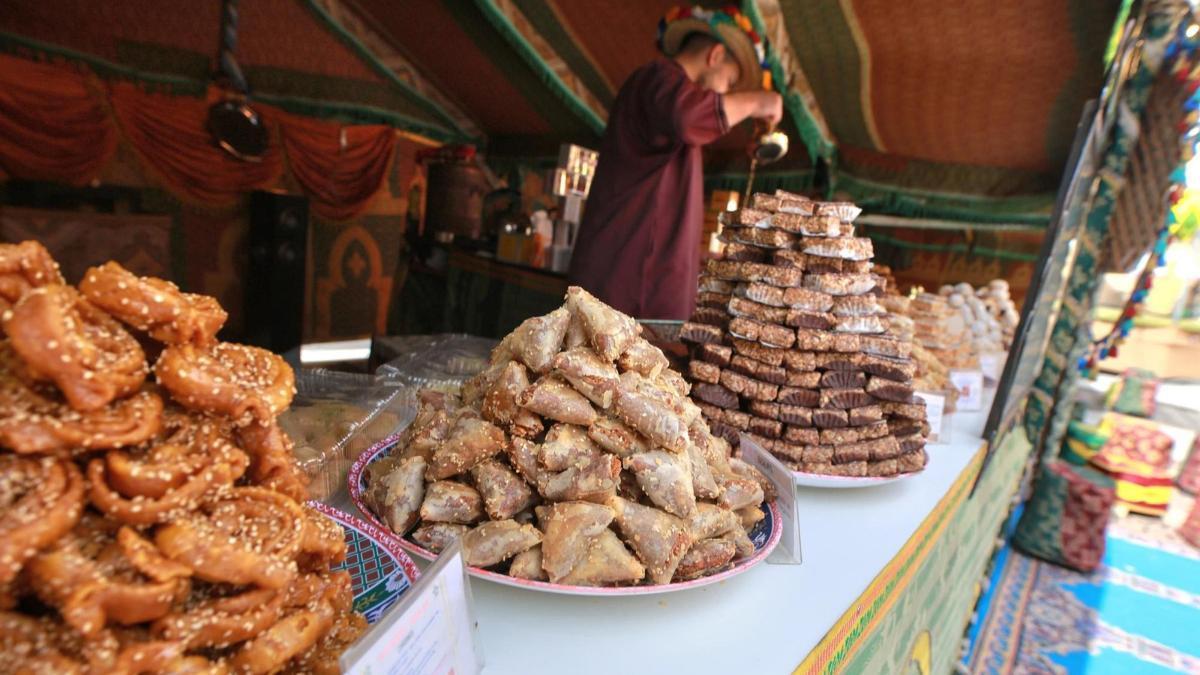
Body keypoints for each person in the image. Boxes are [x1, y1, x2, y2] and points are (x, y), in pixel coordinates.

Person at [568, 6, 783, 320]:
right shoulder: (657, 79)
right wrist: (757, 101)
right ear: (715, 55)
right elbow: (689, 116)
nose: (726, 91)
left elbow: (664, 211)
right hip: (622, 288)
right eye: (730, 79)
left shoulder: (676, 119)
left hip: (642, 288)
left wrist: (692, 256)